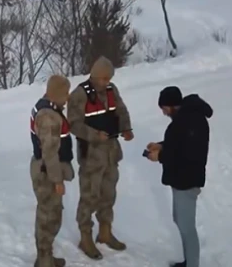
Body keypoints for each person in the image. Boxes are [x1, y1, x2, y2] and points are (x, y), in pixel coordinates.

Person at [67, 56, 133, 260]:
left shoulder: (112, 90)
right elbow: (73, 124)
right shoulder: (79, 94)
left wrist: (126, 128)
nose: (106, 82)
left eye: (109, 78)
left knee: (108, 194)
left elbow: (121, 111)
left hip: (111, 153)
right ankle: (85, 236)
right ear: (95, 75)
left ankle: (105, 232)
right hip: (91, 156)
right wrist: (95, 135)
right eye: (104, 78)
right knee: (89, 196)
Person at [146, 86, 212, 267]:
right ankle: (189, 261)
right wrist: (161, 146)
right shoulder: (185, 119)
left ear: (172, 105)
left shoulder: (191, 121)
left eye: (164, 108)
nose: (164, 113)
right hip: (180, 179)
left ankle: (192, 264)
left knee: (186, 226)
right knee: (180, 221)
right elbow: (179, 143)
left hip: (187, 180)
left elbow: (187, 153)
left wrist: (160, 156)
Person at [30, 74, 75, 267]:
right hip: (47, 173)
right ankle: (44, 260)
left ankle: (45, 257)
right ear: (56, 94)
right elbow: (49, 153)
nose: (68, 97)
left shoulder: (48, 107)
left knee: (51, 214)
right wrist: (57, 180)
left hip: (46, 169)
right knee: (48, 217)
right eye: (65, 93)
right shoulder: (48, 117)